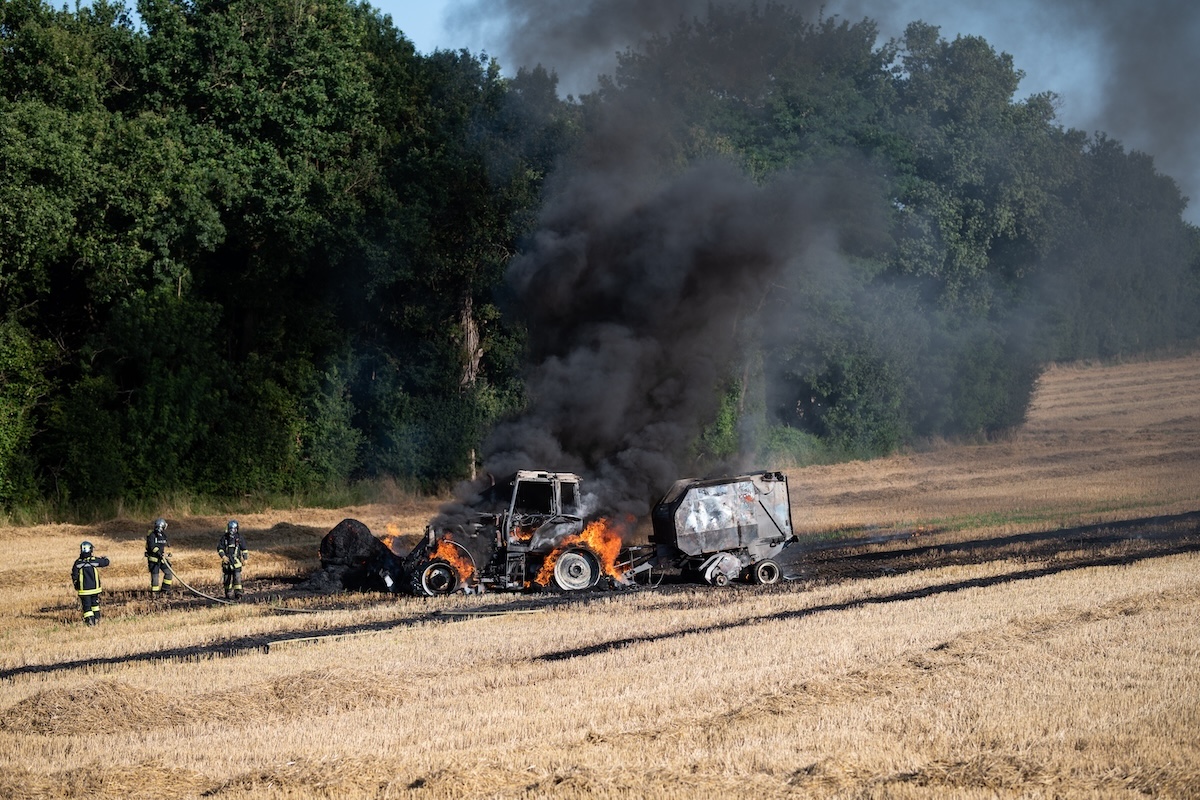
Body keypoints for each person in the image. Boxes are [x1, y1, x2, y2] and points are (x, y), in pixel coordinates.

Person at [71, 541, 110, 626]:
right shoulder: (94, 560)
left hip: (84, 591)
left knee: (87, 608)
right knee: (95, 605)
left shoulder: (78, 563)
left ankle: (90, 622)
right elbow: (105, 563)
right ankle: (97, 619)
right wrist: (106, 558)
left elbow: (74, 575)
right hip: (95, 589)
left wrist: (76, 584)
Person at [217, 519, 248, 600]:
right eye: (230, 529)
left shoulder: (239, 538)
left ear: (237, 529)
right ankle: (228, 593)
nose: (232, 531)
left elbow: (244, 549)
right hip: (227, 562)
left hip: (236, 562)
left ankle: (238, 593)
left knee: (237, 578)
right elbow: (220, 548)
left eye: (233, 529)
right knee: (227, 578)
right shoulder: (224, 538)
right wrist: (223, 556)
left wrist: (245, 559)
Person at [144, 517, 174, 596]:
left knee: (169, 572)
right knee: (155, 576)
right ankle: (155, 593)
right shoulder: (152, 535)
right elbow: (152, 547)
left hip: (162, 559)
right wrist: (158, 553)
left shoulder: (163, 535)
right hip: (154, 560)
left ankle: (165, 589)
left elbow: (165, 544)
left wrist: (166, 554)